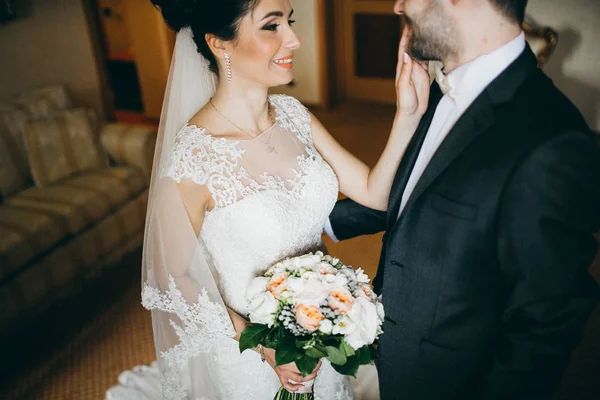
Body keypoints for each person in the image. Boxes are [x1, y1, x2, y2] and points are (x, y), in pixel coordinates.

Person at [106, 0, 428, 398]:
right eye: (271, 26)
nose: (294, 39)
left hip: (317, 330)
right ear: (218, 43)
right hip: (250, 358)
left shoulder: (295, 115)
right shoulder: (195, 157)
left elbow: (375, 193)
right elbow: (171, 278)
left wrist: (407, 115)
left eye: (289, 22)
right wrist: (263, 345)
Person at [326, 0, 600, 398]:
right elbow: (419, 197)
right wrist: (315, 217)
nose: (399, 6)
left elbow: (541, 331)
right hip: (394, 358)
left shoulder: (552, 143)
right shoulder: (438, 92)